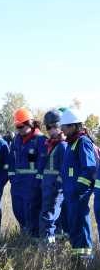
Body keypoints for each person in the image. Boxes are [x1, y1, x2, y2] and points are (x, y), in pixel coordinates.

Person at [61, 108, 96, 259]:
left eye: (65, 126)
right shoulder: (71, 143)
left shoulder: (83, 142)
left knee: (80, 224)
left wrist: (78, 189)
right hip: (70, 193)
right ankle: (76, 258)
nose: (62, 129)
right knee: (71, 224)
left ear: (75, 126)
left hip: (78, 194)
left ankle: (86, 259)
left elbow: (89, 168)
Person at [9, 108, 46, 237]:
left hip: (32, 183)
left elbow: (42, 162)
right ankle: (24, 234)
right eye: (17, 126)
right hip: (18, 183)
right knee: (18, 210)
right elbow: (11, 159)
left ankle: (33, 240)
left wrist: (37, 181)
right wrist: (12, 176)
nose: (18, 129)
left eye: (20, 126)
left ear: (30, 123)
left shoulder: (40, 140)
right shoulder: (16, 140)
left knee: (31, 212)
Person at [38, 110, 67, 244]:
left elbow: (64, 171)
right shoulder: (51, 144)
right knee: (53, 219)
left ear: (59, 126)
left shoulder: (62, 146)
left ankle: (48, 250)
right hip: (48, 188)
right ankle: (56, 246)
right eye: (47, 127)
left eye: (51, 127)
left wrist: (57, 187)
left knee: (48, 219)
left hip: (55, 190)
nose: (49, 130)